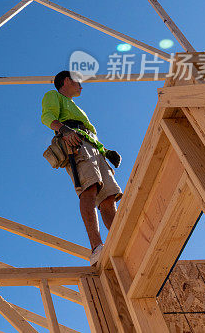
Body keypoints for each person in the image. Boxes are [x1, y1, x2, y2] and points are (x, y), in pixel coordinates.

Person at [41, 70, 122, 265]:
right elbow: (47, 117)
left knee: (109, 197)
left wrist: (105, 151)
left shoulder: (77, 108)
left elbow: (89, 132)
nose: (81, 85)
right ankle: (96, 247)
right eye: (78, 81)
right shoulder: (54, 96)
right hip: (76, 144)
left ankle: (121, 242)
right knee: (89, 188)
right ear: (66, 80)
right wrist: (63, 129)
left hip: (94, 147)